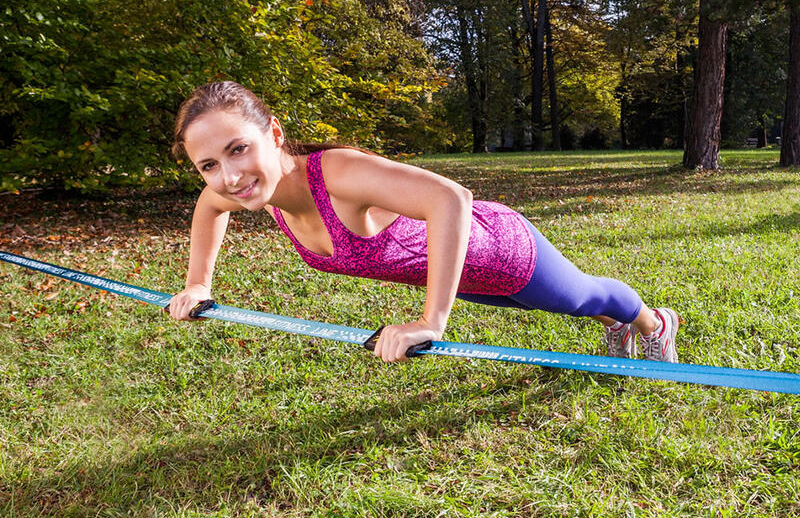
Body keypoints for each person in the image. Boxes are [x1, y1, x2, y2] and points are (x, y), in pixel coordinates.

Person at [167, 81, 680, 364]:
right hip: (460, 277)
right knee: (555, 306)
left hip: (497, 250)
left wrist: (432, 321)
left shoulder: (337, 175)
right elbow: (209, 207)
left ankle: (652, 323)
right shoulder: (255, 191)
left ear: (274, 134)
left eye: (239, 150)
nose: (229, 176)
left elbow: (451, 199)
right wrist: (197, 283)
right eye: (209, 164)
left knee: (578, 298)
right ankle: (617, 324)